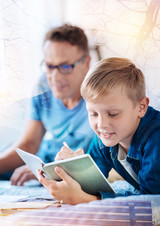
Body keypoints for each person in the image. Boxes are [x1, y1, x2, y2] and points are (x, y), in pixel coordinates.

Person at [38, 57, 160, 205]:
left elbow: (152, 205)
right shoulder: (105, 138)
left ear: (141, 108)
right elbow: (91, 185)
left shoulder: (155, 138)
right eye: (93, 114)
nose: (101, 124)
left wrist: (85, 200)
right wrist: (74, 169)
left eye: (113, 114)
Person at [0, 24, 94, 185]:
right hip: (37, 163)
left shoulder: (101, 98)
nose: (55, 77)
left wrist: (49, 170)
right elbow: (29, 143)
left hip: (57, 169)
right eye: (50, 66)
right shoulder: (43, 86)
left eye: (65, 66)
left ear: (86, 64)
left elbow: (103, 159)